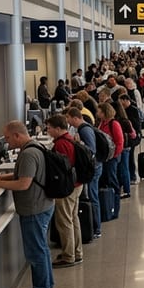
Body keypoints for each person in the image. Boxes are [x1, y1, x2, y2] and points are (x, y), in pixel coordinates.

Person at [0, 121, 56, 288]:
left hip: (34, 208)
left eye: (8, 138)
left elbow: (24, 184)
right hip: (42, 205)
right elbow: (24, 175)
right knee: (41, 249)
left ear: (17, 135)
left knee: (36, 252)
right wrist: (2, 177)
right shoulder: (35, 147)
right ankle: (45, 287)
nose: (7, 142)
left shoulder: (28, 154)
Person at [45, 115, 83, 268]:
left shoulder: (61, 144)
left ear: (58, 129)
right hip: (76, 184)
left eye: (49, 128)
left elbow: (61, 168)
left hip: (67, 187)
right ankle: (76, 251)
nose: (47, 131)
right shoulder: (71, 139)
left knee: (64, 221)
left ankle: (68, 256)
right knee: (73, 219)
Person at [67, 106, 103, 239]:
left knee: (93, 197)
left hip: (93, 167)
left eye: (69, 119)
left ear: (75, 118)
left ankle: (96, 228)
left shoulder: (85, 130)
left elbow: (91, 150)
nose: (69, 122)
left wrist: (78, 143)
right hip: (94, 166)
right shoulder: (84, 128)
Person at [97, 102, 125, 199]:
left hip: (112, 156)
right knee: (106, 177)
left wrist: (114, 155)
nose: (97, 113)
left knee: (111, 176)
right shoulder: (102, 123)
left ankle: (116, 196)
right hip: (105, 155)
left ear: (104, 112)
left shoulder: (114, 124)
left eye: (99, 112)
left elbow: (120, 142)